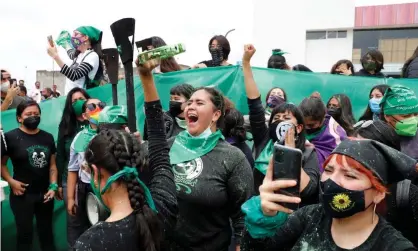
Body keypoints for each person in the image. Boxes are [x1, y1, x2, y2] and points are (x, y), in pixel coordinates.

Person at [74, 59, 178, 251]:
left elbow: (158, 144)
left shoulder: (90, 243)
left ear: (95, 172)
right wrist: (146, 77)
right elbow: (159, 147)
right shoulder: (163, 206)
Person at [241, 139, 418, 251]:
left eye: (349, 175)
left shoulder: (393, 246)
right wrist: (264, 218)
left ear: (379, 194)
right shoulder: (308, 217)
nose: (333, 181)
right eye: (328, 170)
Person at [158, 61, 253, 249]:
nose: (190, 107)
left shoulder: (233, 158)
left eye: (199, 103)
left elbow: (243, 215)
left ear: (216, 115)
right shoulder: (168, 147)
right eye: (189, 102)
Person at [242, 44, 320, 205]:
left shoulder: (307, 152)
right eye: (276, 118)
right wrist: (246, 63)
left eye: (286, 118)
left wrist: (291, 155)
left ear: (299, 127)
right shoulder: (264, 141)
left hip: (292, 216)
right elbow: (254, 103)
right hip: (261, 212)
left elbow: (310, 191)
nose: (280, 122)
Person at [1, 100, 58, 251]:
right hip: (22, 195)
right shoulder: (9, 137)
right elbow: (1, 164)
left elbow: (52, 165)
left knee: (47, 235)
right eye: (28, 114)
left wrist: (53, 186)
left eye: (36, 114)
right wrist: (11, 181)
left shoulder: (48, 137)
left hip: (45, 194)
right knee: (24, 236)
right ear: (19, 118)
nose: (33, 116)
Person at [352, 120, 418, 246]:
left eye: (366, 152)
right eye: (352, 150)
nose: (356, 158)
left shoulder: (407, 195)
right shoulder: (339, 188)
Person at [66, 98, 105, 248]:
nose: (98, 108)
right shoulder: (79, 138)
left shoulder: (114, 133)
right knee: (88, 228)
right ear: (84, 115)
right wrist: (70, 198)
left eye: (101, 105)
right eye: (92, 106)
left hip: (108, 187)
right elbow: (72, 169)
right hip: (86, 188)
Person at [55, 88, 90, 248]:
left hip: (94, 181)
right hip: (71, 182)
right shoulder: (65, 126)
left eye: (81, 98)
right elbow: (61, 156)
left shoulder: (97, 121)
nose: (78, 103)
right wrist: (59, 183)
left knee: (95, 219)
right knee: (75, 222)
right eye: (74, 101)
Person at [48, 26, 104, 94]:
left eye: (76, 34)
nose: (72, 37)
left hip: (81, 99)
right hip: (70, 97)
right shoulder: (79, 56)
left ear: (86, 37)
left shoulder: (92, 56)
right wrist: (64, 46)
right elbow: (71, 53)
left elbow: (75, 75)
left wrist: (55, 56)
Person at [299, 96, 347, 170]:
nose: (306, 128)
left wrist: (310, 151)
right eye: (303, 124)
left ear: (324, 117)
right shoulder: (295, 124)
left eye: (311, 125)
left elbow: (335, 164)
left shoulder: (336, 136)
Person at [380, 85, 418, 161]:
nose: (413, 120)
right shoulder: (375, 136)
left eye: (416, 114)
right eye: (406, 116)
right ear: (387, 116)